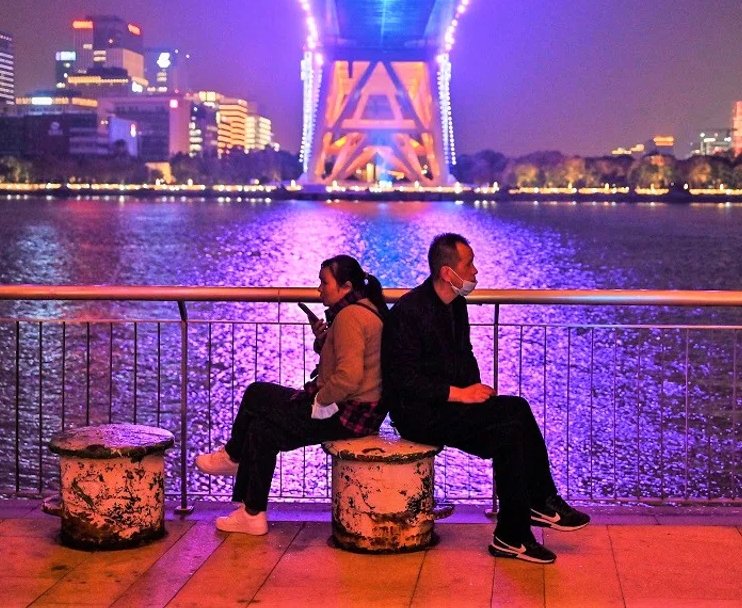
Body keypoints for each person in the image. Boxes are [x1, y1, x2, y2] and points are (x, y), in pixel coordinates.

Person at [381, 233, 589, 564]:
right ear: (448, 273)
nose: (476, 272)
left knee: (515, 409)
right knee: (508, 434)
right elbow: (403, 381)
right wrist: (462, 394)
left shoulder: (455, 306)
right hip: (418, 414)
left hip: (450, 406)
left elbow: (464, 357)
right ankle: (517, 529)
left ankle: (534, 509)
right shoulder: (409, 312)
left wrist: (477, 391)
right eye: (469, 264)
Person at [195, 255, 388, 535]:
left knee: (257, 396)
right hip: (360, 411)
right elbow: (351, 362)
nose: (319, 289)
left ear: (345, 286)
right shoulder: (365, 309)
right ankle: (251, 511)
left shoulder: (350, 317)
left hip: (345, 413)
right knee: (262, 427)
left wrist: (318, 402)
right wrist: (324, 340)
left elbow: (348, 377)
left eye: (324, 282)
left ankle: (235, 462)